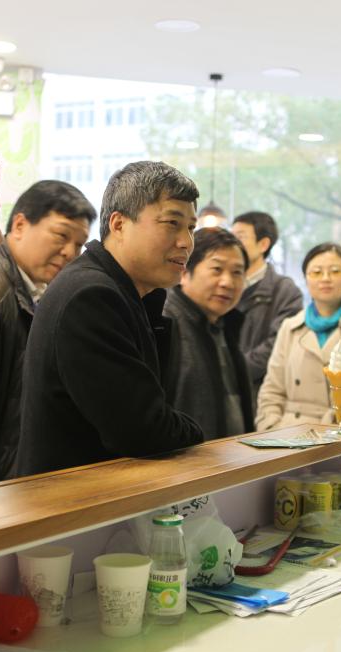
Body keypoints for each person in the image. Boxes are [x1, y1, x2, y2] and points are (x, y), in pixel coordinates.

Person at [16, 161, 204, 476]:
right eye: (172, 223)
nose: (186, 241)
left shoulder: (125, 292)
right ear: (118, 224)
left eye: (191, 228)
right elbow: (145, 430)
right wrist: (198, 431)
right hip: (72, 500)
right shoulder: (91, 296)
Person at [0, 180, 95, 482]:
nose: (69, 252)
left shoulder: (35, 290)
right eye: (61, 235)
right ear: (19, 225)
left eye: (79, 244)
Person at [256, 242, 341, 430]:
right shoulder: (290, 327)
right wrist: (271, 429)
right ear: (306, 278)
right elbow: (272, 391)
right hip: (290, 435)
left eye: (335, 271)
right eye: (316, 272)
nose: (325, 278)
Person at [163, 227, 254, 439]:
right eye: (217, 269)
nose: (227, 282)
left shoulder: (226, 326)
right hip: (186, 457)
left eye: (237, 272)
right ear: (185, 272)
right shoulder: (166, 322)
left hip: (231, 455)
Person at [230, 212, 303, 392]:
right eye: (231, 237)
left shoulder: (285, 291)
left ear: (263, 244)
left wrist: (230, 372)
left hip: (261, 393)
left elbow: (277, 345)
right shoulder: (223, 285)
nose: (232, 244)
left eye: (240, 237)